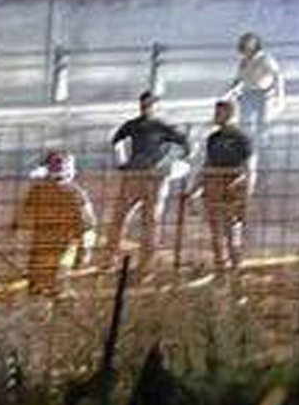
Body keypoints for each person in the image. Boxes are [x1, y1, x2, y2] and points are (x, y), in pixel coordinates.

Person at [104, 93, 190, 257]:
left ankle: (147, 258)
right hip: (134, 176)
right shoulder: (132, 125)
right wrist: (122, 163)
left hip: (155, 178)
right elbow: (116, 141)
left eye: (149, 105)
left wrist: (165, 165)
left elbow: (185, 147)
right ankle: (111, 253)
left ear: (157, 107)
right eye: (143, 105)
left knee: (151, 219)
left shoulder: (164, 127)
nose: (146, 108)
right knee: (121, 214)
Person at [15, 150, 96, 297]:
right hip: (45, 244)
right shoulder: (70, 193)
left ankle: (54, 301)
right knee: (45, 278)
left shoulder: (73, 194)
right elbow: (88, 225)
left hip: (60, 244)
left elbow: (87, 225)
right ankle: (46, 299)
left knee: (55, 278)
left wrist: (85, 249)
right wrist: (85, 250)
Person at [195, 98, 257, 280]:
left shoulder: (241, 138)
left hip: (231, 187)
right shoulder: (212, 138)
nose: (215, 117)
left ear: (229, 114)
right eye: (215, 113)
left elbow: (248, 167)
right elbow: (206, 165)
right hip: (213, 186)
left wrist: (245, 192)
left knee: (230, 229)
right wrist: (195, 189)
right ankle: (220, 267)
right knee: (215, 229)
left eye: (219, 113)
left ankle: (235, 266)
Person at [232, 33, 285, 132]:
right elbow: (239, 78)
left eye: (246, 48)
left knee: (264, 123)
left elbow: (278, 76)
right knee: (245, 122)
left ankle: (263, 144)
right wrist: (234, 92)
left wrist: (279, 96)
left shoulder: (266, 59)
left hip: (265, 94)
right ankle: (246, 143)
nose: (243, 52)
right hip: (247, 94)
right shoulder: (244, 61)